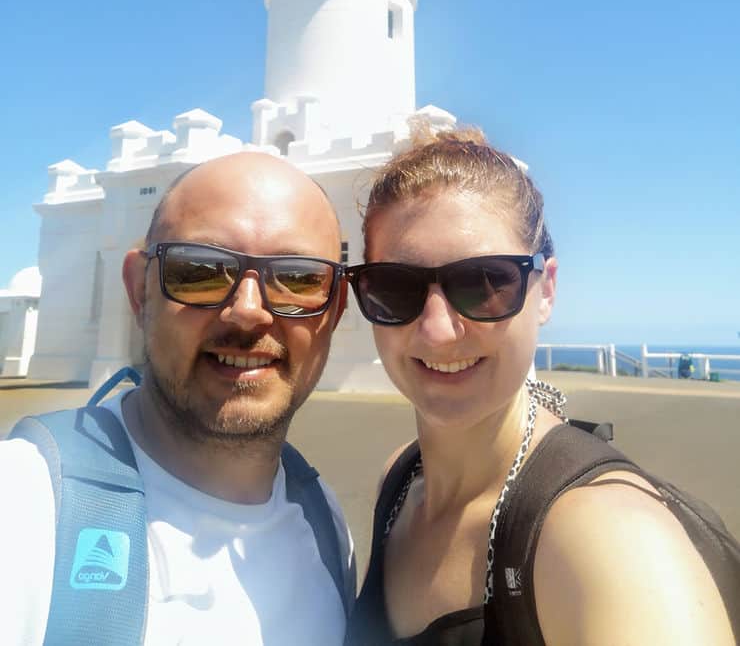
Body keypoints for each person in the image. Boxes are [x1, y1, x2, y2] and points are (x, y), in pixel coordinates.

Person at [344, 127, 734, 646]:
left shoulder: (609, 541)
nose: (437, 329)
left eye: (483, 283)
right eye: (393, 287)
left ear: (544, 290)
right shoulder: (397, 481)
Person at [0, 151, 354, 645]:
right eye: (199, 270)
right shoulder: (23, 504)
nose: (248, 312)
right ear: (139, 292)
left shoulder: (328, 529)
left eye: (298, 278)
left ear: (334, 310)